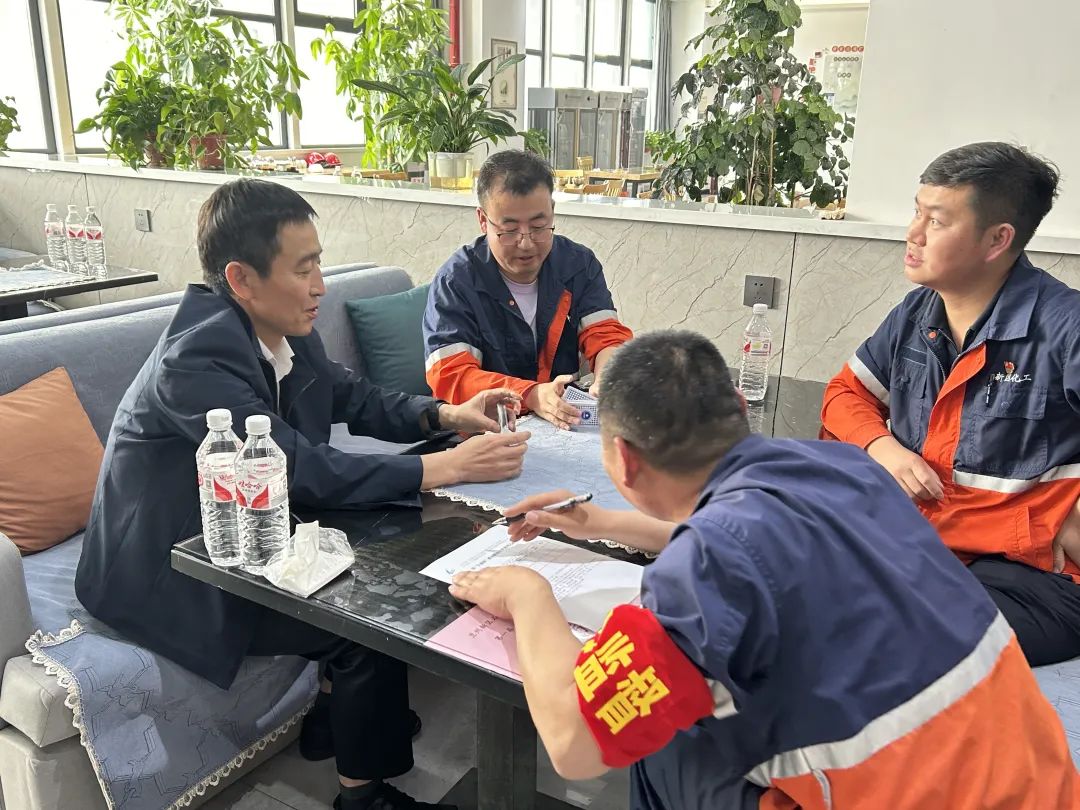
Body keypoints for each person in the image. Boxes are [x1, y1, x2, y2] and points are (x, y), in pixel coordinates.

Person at [449, 331, 1078, 810]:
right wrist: (600, 521)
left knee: (665, 732)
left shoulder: (698, 575)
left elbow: (576, 744)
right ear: (739, 410)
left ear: (624, 461)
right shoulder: (845, 468)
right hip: (1039, 781)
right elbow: (767, 550)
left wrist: (527, 593)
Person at [76, 178, 532, 810]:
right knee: (363, 619)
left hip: (249, 524)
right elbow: (292, 467)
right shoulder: (195, 358)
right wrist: (444, 468)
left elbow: (351, 396)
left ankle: (333, 721)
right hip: (172, 565)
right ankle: (362, 796)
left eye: (319, 263)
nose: (320, 285)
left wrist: (447, 415)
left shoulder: (280, 324)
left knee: (407, 527)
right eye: (303, 268)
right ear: (241, 278)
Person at [820, 142, 1080, 666]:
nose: (913, 234)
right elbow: (845, 394)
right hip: (921, 549)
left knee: (878, 643)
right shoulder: (918, 313)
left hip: (1027, 577)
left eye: (936, 221)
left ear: (997, 239)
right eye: (917, 212)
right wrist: (884, 449)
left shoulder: (1063, 328)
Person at [423, 149, 633, 430]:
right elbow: (451, 377)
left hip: (563, 424)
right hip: (486, 431)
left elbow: (605, 335)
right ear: (483, 220)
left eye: (539, 226)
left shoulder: (577, 264)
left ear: (552, 212)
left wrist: (608, 379)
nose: (526, 243)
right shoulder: (455, 282)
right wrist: (531, 395)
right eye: (509, 230)